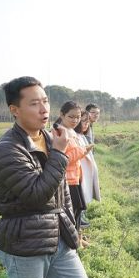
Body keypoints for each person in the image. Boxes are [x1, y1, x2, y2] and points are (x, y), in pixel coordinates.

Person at [0, 77, 90, 278]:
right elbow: (37, 195)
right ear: (15, 109)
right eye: (34, 104)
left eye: (45, 101)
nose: (44, 109)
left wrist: (72, 230)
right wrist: (60, 155)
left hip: (59, 237)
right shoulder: (7, 150)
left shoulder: (50, 138)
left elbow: (63, 193)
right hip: (26, 243)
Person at [55, 101, 94, 246]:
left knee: (77, 210)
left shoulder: (71, 132)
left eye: (77, 117)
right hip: (66, 179)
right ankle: (73, 241)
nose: (75, 120)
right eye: (71, 117)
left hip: (75, 177)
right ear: (62, 115)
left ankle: (78, 239)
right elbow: (64, 158)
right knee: (71, 212)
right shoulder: (60, 133)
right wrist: (83, 150)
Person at [74, 110, 101, 207]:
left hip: (83, 174)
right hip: (77, 176)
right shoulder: (74, 136)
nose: (86, 124)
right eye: (84, 120)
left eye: (88, 121)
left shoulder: (82, 136)